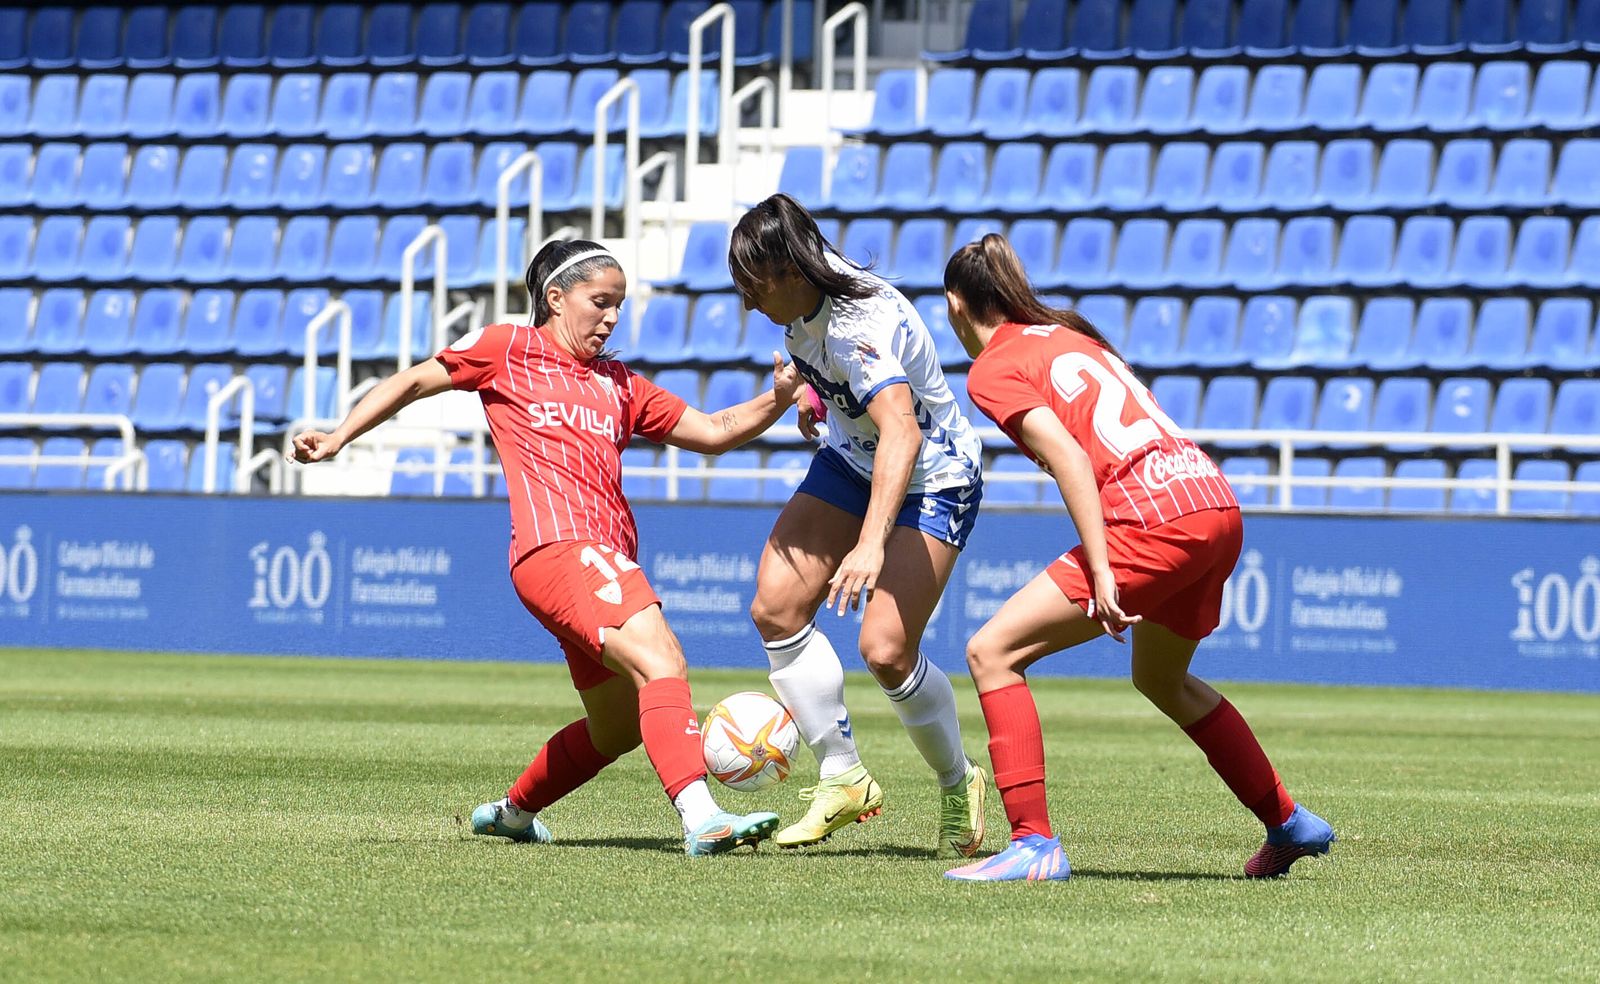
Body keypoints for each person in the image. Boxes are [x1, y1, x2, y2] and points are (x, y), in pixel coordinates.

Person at [290, 240, 806, 856]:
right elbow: (414, 381)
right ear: (556, 299)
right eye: (601, 302)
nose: (612, 317)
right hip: (561, 547)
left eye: (620, 306)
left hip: (594, 560)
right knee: (662, 659)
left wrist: (776, 397)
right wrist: (340, 434)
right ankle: (701, 816)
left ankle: (513, 812)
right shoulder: (508, 348)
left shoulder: (620, 384)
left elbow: (714, 431)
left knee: (615, 729)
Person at [940, 234, 1335, 882]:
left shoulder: (993, 366)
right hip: (1212, 497)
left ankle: (1034, 844)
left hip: (1152, 516)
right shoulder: (1069, 335)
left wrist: (1100, 566)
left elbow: (1068, 456)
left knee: (993, 652)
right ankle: (1287, 821)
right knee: (1161, 679)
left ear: (956, 306)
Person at [727, 194, 988, 857]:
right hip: (854, 457)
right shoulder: (809, 292)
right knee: (776, 608)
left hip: (933, 472)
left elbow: (901, 428)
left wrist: (871, 543)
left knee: (885, 650)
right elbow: (828, 368)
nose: (751, 305)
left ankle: (960, 779)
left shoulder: (854, 325)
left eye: (755, 289)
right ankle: (843, 778)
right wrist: (816, 395)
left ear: (790, 270)